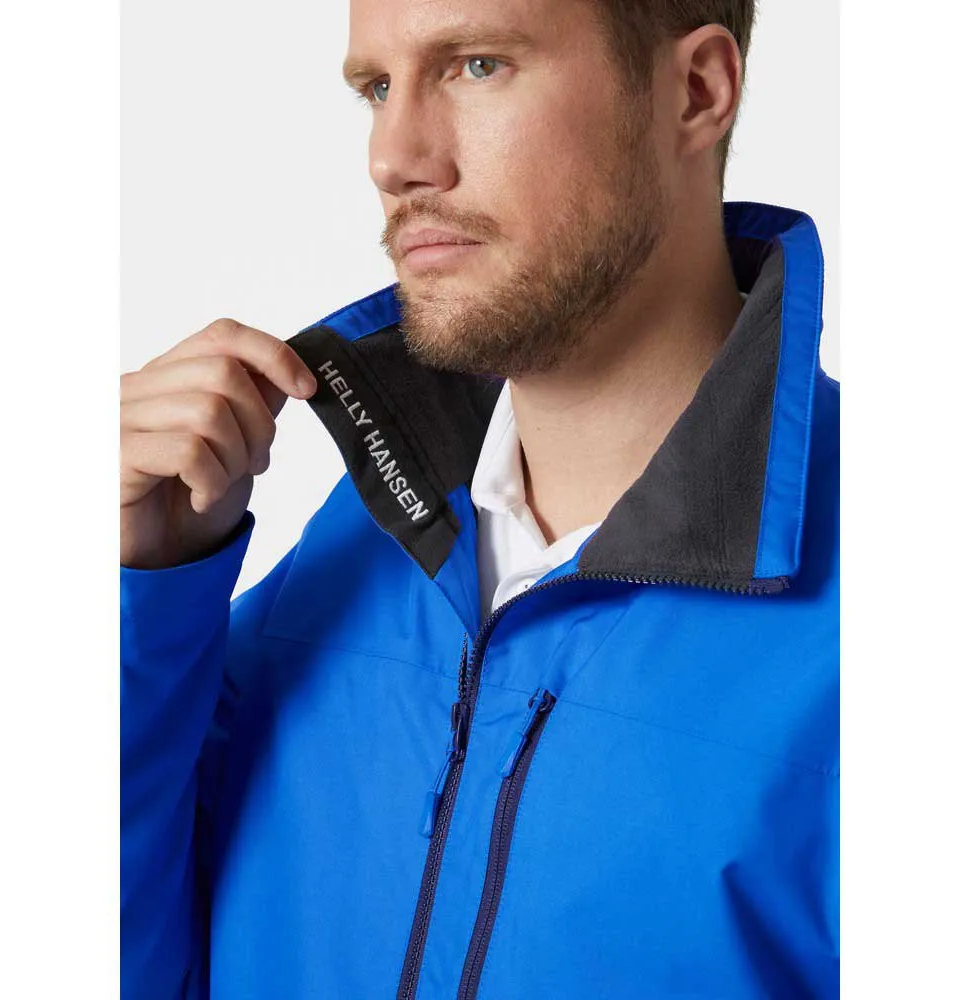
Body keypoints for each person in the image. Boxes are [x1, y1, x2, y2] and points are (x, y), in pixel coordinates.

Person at [120, 0, 839, 996]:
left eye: (477, 65)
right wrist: (141, 595)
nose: (393, 157)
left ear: (694, 91)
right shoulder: (353, 555)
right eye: (377, 87)